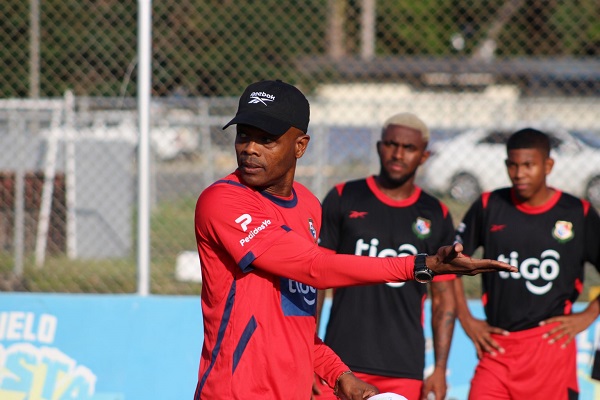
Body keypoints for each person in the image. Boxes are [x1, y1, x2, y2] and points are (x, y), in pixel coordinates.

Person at [193, 79, 516, 400]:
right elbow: (314, 268)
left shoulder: (307, 205)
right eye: (244, 135)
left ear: (300, 146)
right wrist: (423, 264)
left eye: (267, 139)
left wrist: (339, 374)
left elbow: (294, 321)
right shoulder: (222, 201)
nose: (250, 148)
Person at [315, 113, 456, 400]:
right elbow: (314, 279)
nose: (398, 153)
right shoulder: (343, 197)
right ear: (380, 147)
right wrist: (308, 354)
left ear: (424, 156)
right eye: (391, 144)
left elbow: (443, 297)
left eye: (409, 148)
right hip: (340, 362)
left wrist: (440, 368)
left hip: (403, 366)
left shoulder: (436, 213)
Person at [453, 127, 600, 399]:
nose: (519, 174)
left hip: (550, 350)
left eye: (529, 165)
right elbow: (448, 266)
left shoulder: (577, 212)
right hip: (497, 350)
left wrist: (589, 314)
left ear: (548, 165)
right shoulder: (489, 205)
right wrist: (467, 319)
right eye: (513, 165)